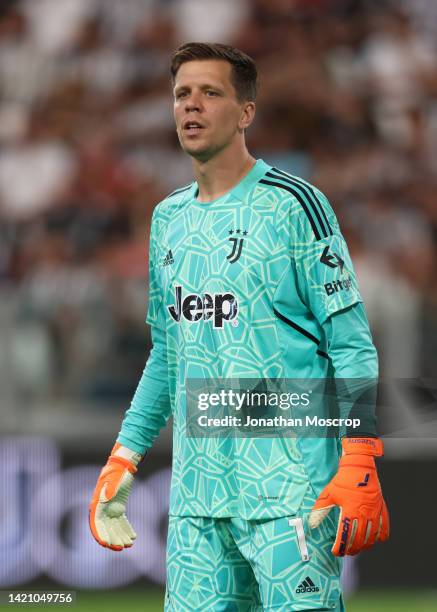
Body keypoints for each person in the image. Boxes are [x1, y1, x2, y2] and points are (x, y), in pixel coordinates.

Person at [89, 42, 389, 611]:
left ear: (246, 111)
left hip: (290, 492)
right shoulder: (167, 219)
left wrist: (359, 457)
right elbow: (166, 352)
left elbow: (351, 346)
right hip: (198, 500)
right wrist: (124, 455)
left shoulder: (295, 205)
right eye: (182, 94)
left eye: (210, 92)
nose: (191, 106)